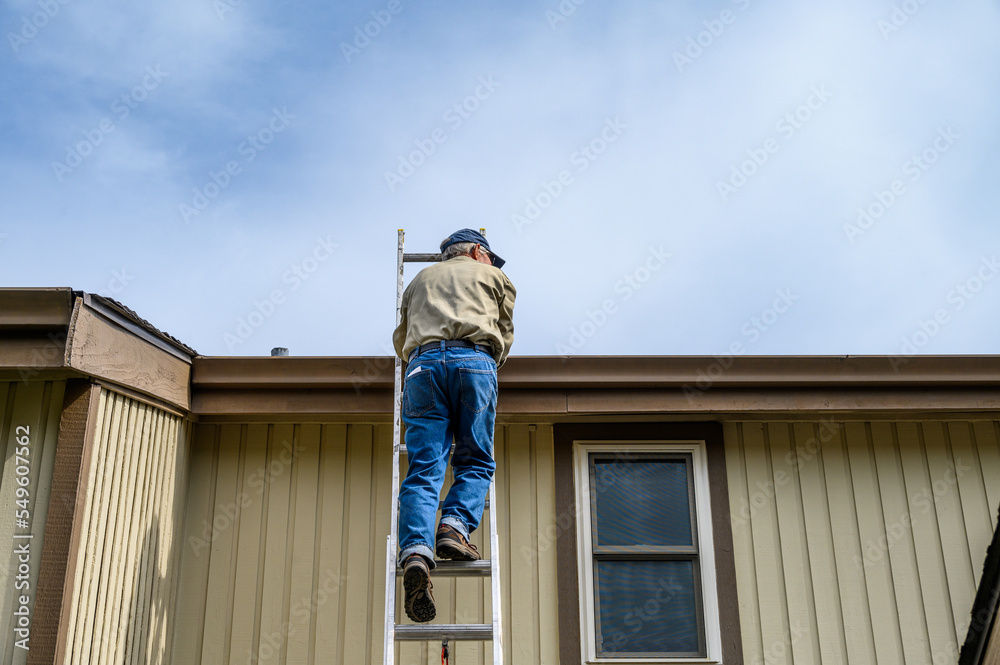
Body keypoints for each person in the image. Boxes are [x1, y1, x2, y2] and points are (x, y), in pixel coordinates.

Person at [391, 228, 516, 623]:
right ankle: (453, 526)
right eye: (489, 257)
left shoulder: (417, 282)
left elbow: (401, 338)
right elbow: (504, 333)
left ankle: (415, 552)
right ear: (478, 250)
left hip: (421, 367)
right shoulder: (495, 278)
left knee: (424, 468)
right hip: (473, 361)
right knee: (475, 459)